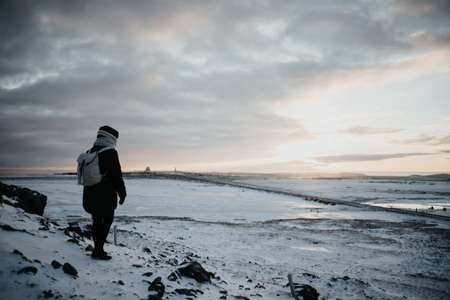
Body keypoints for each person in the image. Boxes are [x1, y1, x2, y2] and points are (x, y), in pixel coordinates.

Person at [83, 125, 126, 260]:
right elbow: (116, 175)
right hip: (105, 195)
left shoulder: (90, 151)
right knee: (106, 221)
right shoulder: (110, 152)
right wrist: (122, 193)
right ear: (111, 138)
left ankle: (97, 249)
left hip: (90, 193)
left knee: (96, 221)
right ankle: (98, 251)